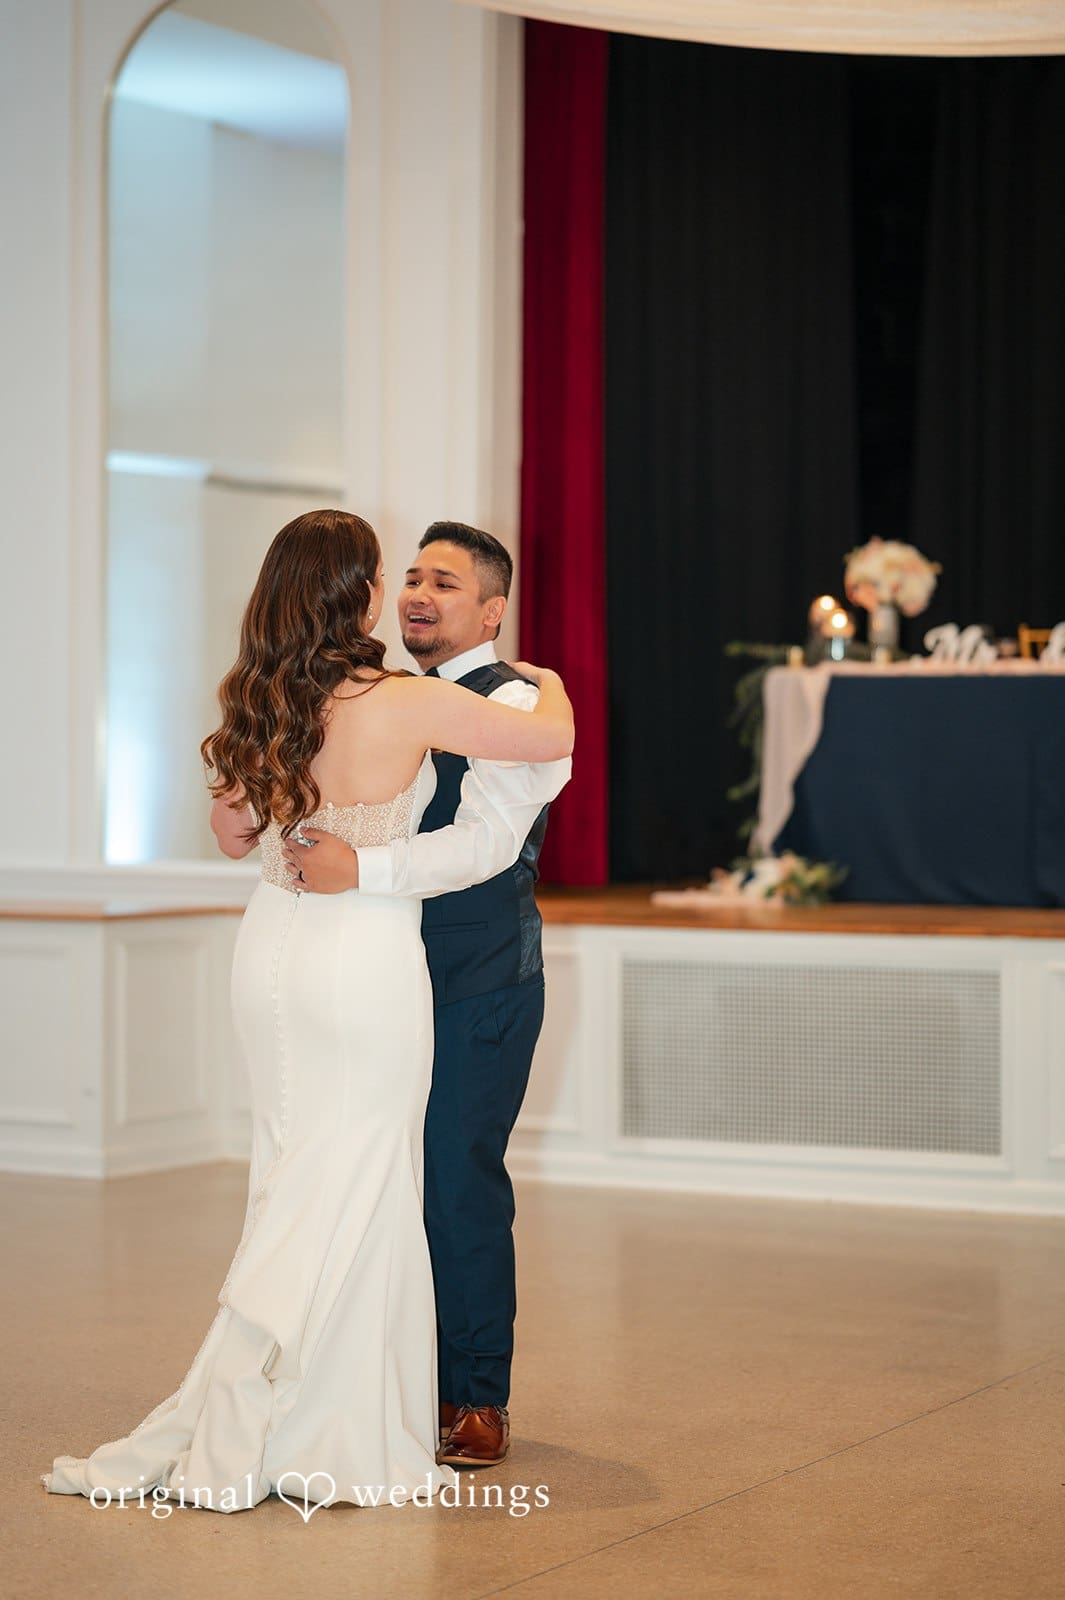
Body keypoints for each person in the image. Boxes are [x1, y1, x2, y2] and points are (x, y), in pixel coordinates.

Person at [41, 509, 573, 1514]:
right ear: (359, 594)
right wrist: (549, 676)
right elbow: (552, 736)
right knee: (363, 1174)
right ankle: (331, 1418)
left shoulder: (267, 699)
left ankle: (269, 1394)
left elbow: (235, 831)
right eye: (387, 575)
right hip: (360, 955)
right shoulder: (402, 699)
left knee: (290, 1167)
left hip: (271, 948)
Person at [282, 521, 569, 1469]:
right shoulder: (374, 692)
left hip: (477, 981)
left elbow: (483, 847)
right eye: (409, 577)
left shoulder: (519, 701)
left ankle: (474, 1395)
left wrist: (357, 870)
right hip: (372, 972)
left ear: (490, 610)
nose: (416, 594)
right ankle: (376, 1380)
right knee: (368, 1178)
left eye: (443, 583)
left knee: (453, 1179)